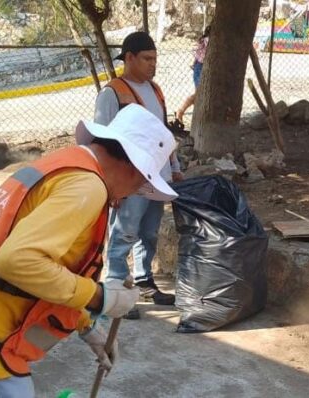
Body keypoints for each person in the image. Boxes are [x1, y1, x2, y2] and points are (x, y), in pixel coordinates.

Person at [0, 104, 178, 398]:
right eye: (142, 183)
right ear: (133, 167)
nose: (133, 194)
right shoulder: (87, 187)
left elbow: (52, 266)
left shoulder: (66, 164)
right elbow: (17, 261)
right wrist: (100, 297)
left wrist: (87, 327)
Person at [94, 31, 182, 320]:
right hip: (128, 180)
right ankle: (116, 290)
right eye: (147, 59)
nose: (152, 64)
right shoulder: (112, 93)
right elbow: (102, 141)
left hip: (156, 176)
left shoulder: (155, 90)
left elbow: (162, 133)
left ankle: (144, 282)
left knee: (149, 232)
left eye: (155, 59)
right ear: (129, 58)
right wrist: (110, 185)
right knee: (124, 233)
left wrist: (175, 167)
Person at [175, 25, 211, 123]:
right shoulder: (208, 40)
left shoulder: (204, 40)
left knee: (200, 95)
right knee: (199, 93)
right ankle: (181, 111)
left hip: (199, 66)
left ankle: (197, 116)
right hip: (200, 67)